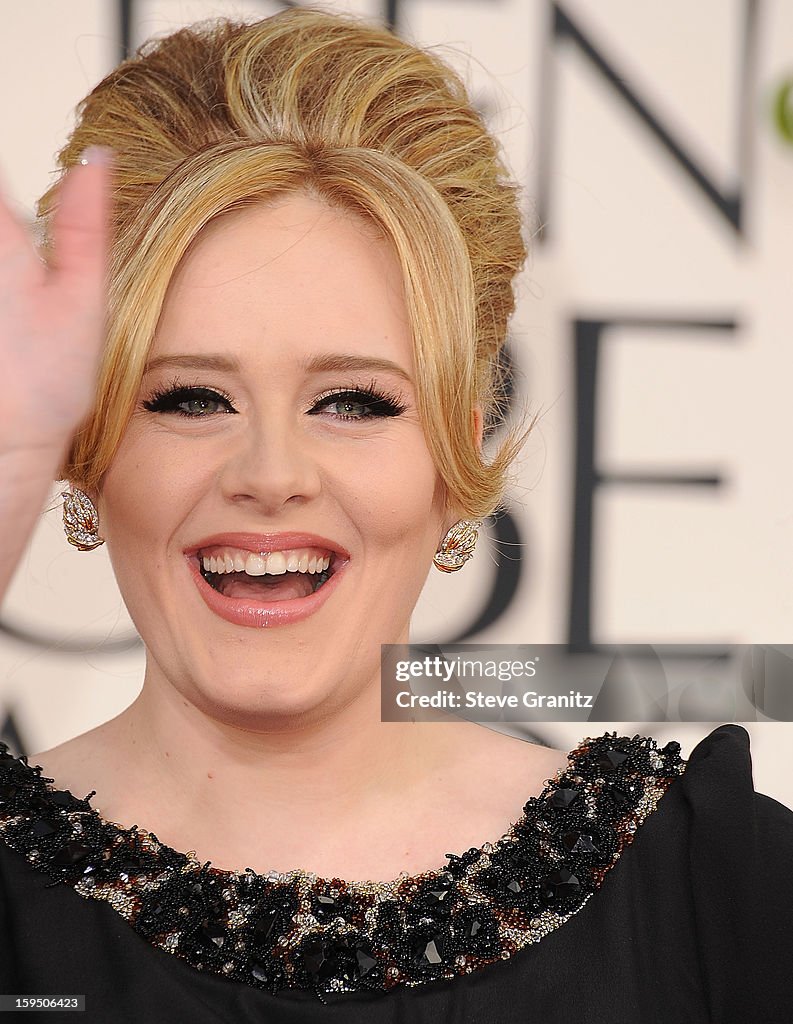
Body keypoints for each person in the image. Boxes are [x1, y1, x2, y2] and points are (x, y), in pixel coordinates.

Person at [0, 8, 790, 1022]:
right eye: (189, 398)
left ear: (453, 457)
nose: (270, 473)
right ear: (88, 445)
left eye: (353, 402)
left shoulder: (712, 896)